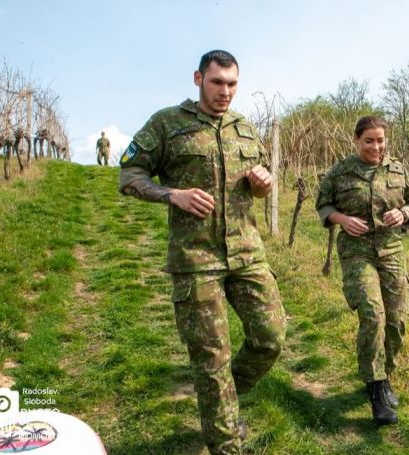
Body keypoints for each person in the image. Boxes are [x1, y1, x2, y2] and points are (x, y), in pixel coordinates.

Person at [118, 50, 286, 455]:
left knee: (271, 337)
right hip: (196, 260)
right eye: (217, 83)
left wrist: (263, 184)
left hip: (247, 254)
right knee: (212, 359)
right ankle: (225, 440)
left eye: (232, 84)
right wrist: (171, 194)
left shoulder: (245, 129)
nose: (225, 91)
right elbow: (129, 175)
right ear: (198, 79)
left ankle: (224, 399)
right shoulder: (167, 124)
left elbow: (261, 181)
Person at [316, 116, 409, 426]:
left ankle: (385, 377)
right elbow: (323, 206)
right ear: (357, 140)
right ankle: (375, 388)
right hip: (356, 251)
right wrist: (342, 220)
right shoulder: (340, 172)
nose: (376, 146)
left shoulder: (398, 170)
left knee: (397, 319)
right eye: (369, 140)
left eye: (380, 140)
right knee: (373, 314)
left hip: (391, 250)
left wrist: (403, 214)